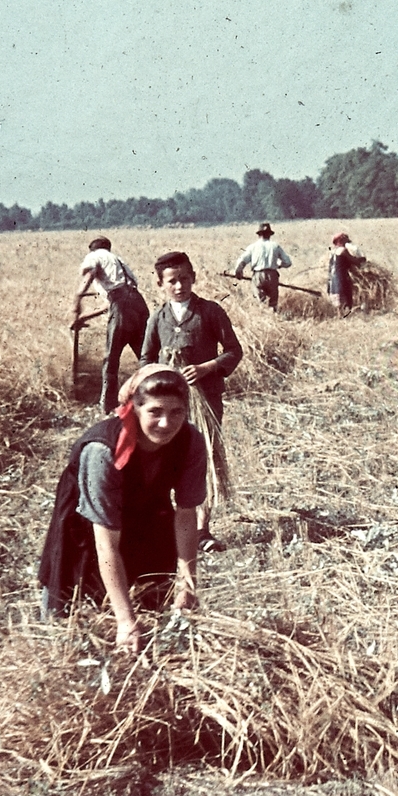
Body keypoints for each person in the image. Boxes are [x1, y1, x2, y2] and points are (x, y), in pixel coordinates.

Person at [37, 364, 206, 654]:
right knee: (77, 627)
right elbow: (105, 545)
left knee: (153, 612)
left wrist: (186, 583)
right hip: (89, 536)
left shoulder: (190, 442)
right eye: (154, 411)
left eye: (176, 412)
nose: (166, 423)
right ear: (134, 409)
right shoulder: (102, 451)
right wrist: (125, 620)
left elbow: (187, 515)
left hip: (148, 525)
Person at [142, 252, 243, 425]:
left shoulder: (210, 311)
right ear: (160, 284)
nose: (179, 286)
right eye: (172, 281)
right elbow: (146, 358)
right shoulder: (158, 318)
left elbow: (234, 351)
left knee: (207, 445)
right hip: (170, 400)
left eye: (184, 279)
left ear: (193, 278)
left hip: (207, 394)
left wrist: (206, 368)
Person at [76, 236, 150, 416]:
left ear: (92, 249)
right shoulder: (120, 263)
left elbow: (89, 274)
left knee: (111, 359)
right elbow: (114, 302)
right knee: (146, 355)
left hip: (122, 306)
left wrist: (77, 298)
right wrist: (86, 316)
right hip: (139, 304)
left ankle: (107, 406)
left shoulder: (96, 256)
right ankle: (157, 395)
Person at [230, 223, 293, 310]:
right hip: (272, 276)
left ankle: (263, 318)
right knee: (273, 303)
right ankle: (273, 318)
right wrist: (279, 265)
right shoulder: (275, 246)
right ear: (270, 234)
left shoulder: (253, 247)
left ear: (259, 235)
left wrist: (238, 272)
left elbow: (242, 261)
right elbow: (288, 262)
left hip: (258, 276)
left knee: (260, 302)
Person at [328, 232, 363, 310]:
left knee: (337, 306)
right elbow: (354, 261)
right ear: (341, 241)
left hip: (332, 282)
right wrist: (362, 259)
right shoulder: (343, 250)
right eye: (345, 241)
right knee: (345, 305)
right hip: (341, 280)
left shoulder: (332, 252)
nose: (346, 243)